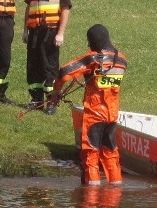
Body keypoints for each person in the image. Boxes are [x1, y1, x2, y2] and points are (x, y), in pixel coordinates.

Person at [52, 24, 127, 186]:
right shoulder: (122, 60)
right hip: (112, 115)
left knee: (90, 153)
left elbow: (63, 72)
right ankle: (115, 191)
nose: (88, 45)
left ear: (94, 41)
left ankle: (90, 197)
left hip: (95, 114)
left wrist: (56, 92)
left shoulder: (93, 58)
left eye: (89, 41)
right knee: (110, 152)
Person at [23, 0, 71, 114]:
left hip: (51, 30)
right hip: (34, 31)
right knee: (33, 65)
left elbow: (65, 9)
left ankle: (51, 101)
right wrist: (25, 30)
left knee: (49, 66)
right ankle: (36, 99)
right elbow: (28, 8)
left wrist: (60, 33)